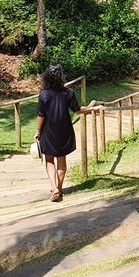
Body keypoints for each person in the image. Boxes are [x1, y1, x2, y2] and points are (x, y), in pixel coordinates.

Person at [34, 64, 94, 202]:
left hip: (49, 130)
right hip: (65, 129)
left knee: (49, 160)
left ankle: (54, 187)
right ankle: (59, 189)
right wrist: (93, 108)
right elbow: (78, 110)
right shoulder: (69, 93)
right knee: (62, 159)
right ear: (61, 77)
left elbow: (41, 115)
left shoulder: (44, 94)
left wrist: (38, 131)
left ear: (46, 77)